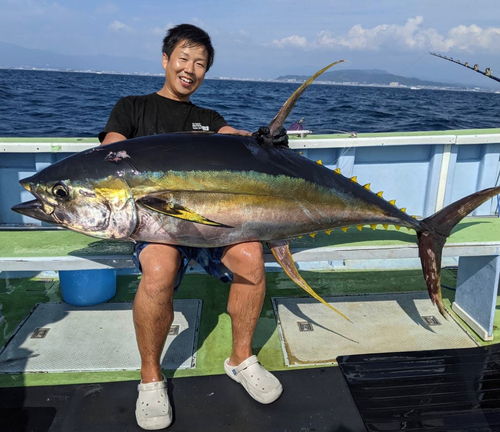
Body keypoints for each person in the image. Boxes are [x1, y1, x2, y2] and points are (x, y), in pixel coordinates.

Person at [99, 24, 283, 430]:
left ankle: (240, 359)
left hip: (209, 223)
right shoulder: (132, 107)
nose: (191, 69)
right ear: (166, 60)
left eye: (200, 64)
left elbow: (232, 136)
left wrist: (263, 140)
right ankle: (150, 379)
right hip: (155, 224)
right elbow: (109, 148)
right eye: (184, 58)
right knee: (160, 269)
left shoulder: (207, 117)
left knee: (251, 258)